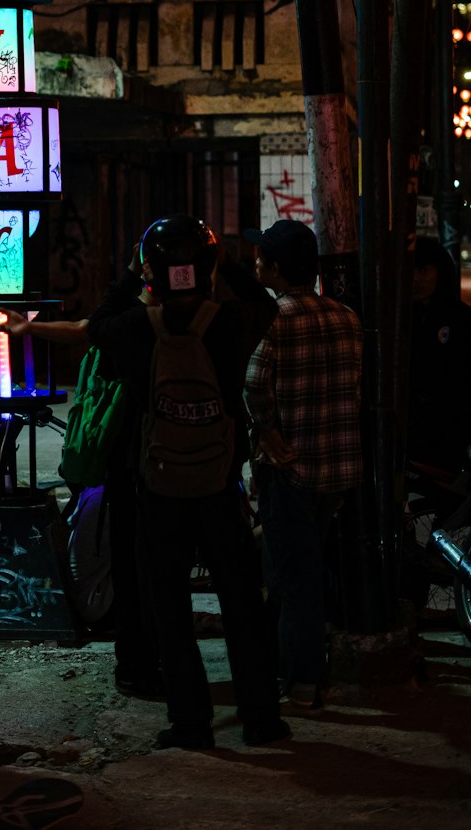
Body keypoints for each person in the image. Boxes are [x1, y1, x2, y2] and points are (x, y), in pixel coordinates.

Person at [89, 214, 286, 751]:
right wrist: (230, 267)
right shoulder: (230, 322)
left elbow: (96, 327)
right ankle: (261, 717)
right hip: (219, 485)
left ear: (152, 266)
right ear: (207, 266)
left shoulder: (135, 328)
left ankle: (191, 723)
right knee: (241, 601)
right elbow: (267, 306)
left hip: (158, 487)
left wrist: (131, 277)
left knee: (169, 608)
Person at [0, 310, 164, 700]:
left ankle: (137, 666)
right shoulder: (117, 491)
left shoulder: (95, 487)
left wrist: (30, 327)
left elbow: (82, 328)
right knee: (144, 574)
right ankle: (143, 667)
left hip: (93, 600)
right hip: (101, 607)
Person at [242, 218, 363, 711]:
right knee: (301, 569)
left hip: (290, 470)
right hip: (337, 470)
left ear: (275, 268)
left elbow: (253, 383)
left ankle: (303, 682)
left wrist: (268, 431)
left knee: (294, 580)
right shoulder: (347, 318)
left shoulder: (274, 320)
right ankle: (289, 666)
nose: (254, 263)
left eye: (260, 257)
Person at [407, 235, 471, 477]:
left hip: (454, 436)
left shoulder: (463, 319)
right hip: (411, 437)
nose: (416, 279)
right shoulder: (400, 317)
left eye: (423, 270)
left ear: (439, 272)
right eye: (411, 270)